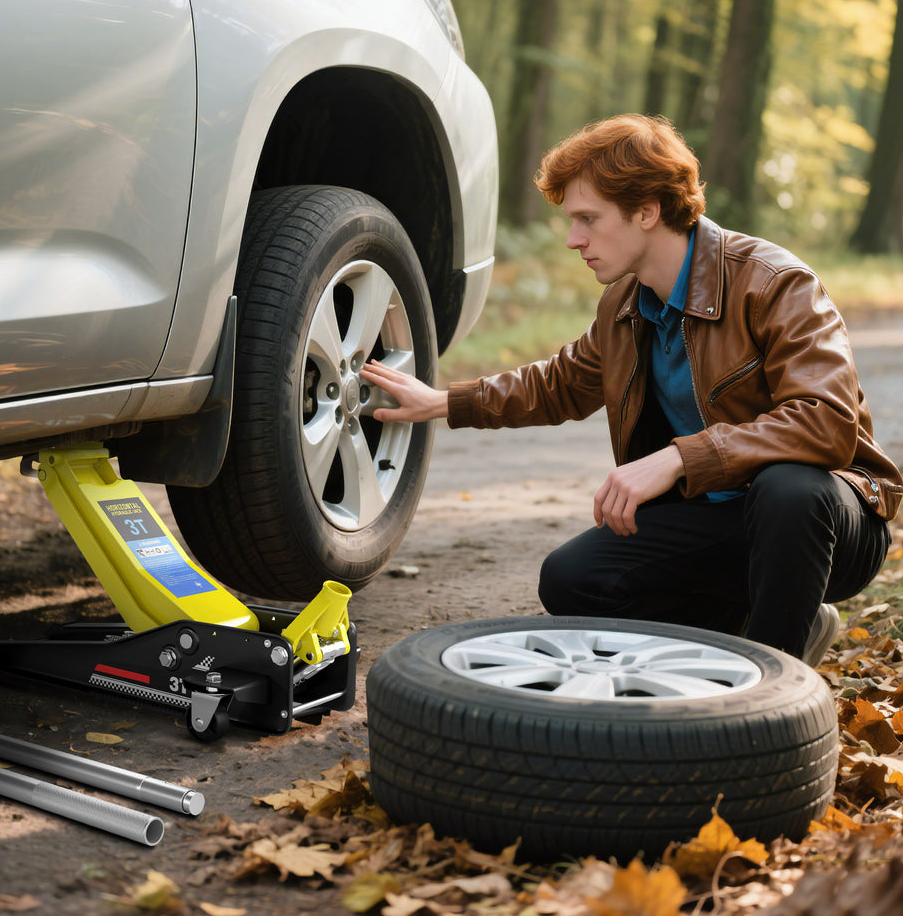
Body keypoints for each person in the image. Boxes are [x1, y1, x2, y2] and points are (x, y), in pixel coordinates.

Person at [362, 114, 901, 666]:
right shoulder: (624, 301)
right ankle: (777, 619)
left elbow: (828, 421)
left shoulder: (775, 283)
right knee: (573, 579)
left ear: (647, 211)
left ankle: (771, 686)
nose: (574, 240)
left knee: (789, 488)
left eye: (588, 219)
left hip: (829, 520)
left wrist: (677, 458)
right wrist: (444, 402)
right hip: (722, 521)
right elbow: (560, 383)